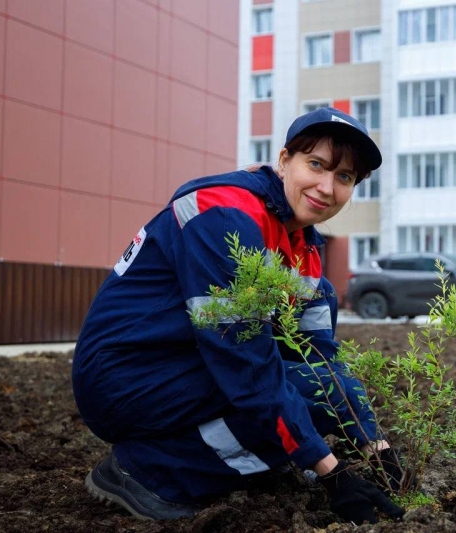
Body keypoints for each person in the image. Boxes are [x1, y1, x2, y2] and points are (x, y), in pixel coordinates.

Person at [71, 108, 405, 524]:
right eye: (316, 164)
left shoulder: (303, 246)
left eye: (344, 177)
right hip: (125, 379)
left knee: (315, 394)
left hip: (187, 366)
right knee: (282, 396)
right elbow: (245, 364)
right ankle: (148, 471)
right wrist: (331, 472)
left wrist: (375, 444)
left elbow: (322, 361)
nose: (327, 187)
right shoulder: (226, 216)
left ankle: (218, 458)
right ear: (284, 161)